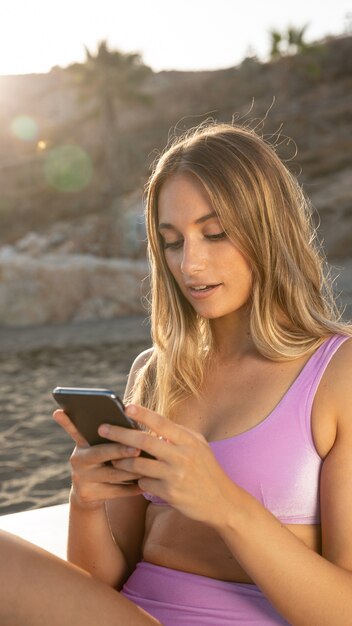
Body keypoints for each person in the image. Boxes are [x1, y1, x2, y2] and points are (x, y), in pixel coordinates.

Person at [1, 121, 352, 626]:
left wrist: (225, 503)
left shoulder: (335, 374)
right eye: (171, 241)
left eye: (215, 233)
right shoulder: (155, 373)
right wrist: (87, 500)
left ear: (268, 229)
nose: (190, 263)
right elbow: (98, 583)